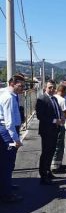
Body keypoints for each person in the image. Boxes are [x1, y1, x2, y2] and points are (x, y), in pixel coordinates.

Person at [0, 74, 25, 202]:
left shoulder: (10, 94)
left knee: (8, 163)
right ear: (12, 84)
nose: (23, 88)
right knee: (7, 163)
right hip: (8, 132)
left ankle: (7, 186)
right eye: (20, 86)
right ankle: (6, 195)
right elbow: (9, 122)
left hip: (8, 130)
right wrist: (16, 140)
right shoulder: (8, 98)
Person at [36, 80, 64, 185]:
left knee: (51, 152)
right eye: (50, 87)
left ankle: (48, 171)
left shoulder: (54, 99)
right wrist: (54, 120)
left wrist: (61, 117)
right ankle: (43, 175)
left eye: (53, 87)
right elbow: (40, 116)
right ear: (45, 88)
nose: (52, 89)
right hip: (46, 131)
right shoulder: (42, 99)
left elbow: (57, 111)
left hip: (54, 130)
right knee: (46, 153)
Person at [51, 84, 66, 173]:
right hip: (60, 125)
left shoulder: (53, 97)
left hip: (52, 125)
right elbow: (65, 112)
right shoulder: (61, 99)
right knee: (59, 146)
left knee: (54, 145)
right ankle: (56, 167)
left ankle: (57, 164)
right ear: (64, 91)